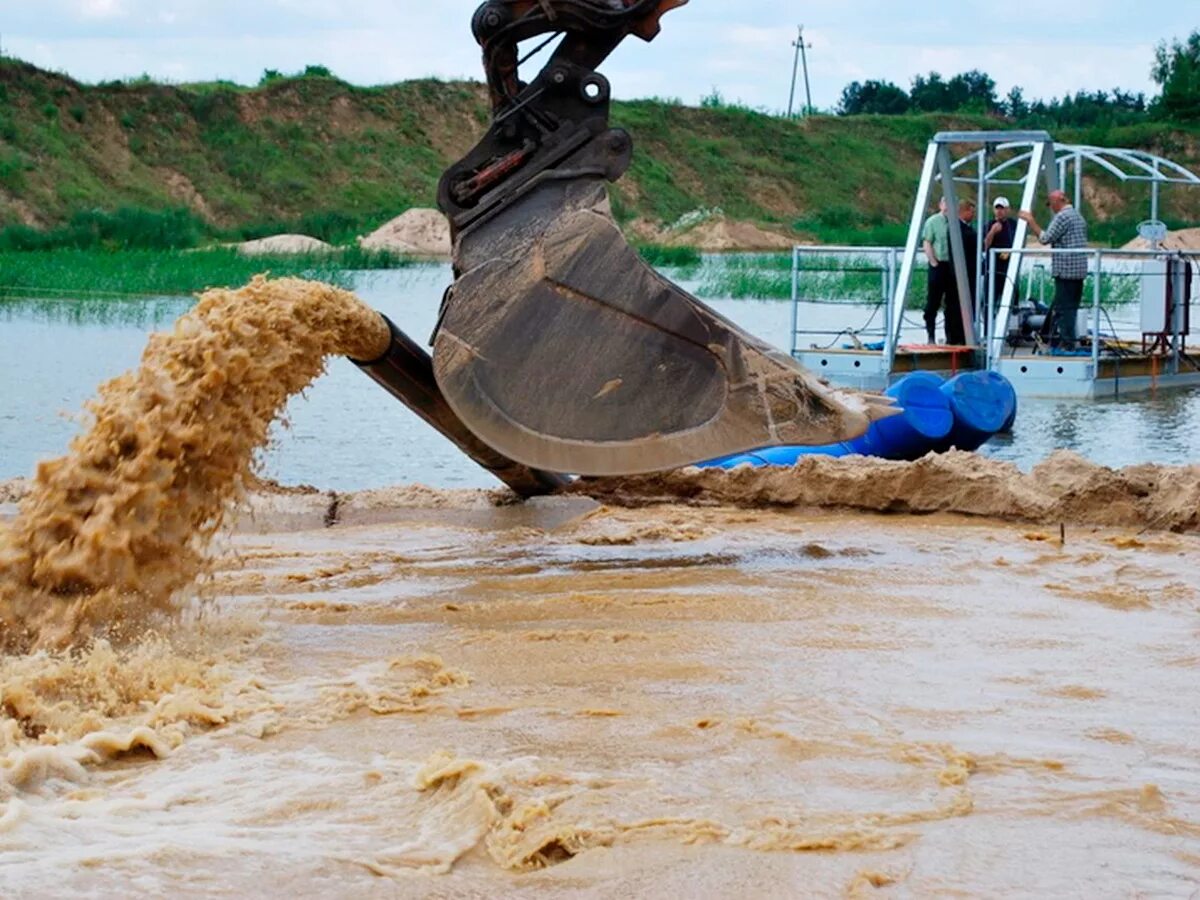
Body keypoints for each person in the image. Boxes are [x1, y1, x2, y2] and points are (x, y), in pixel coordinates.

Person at [1019, 190, 1089, 351]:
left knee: (1065, 310)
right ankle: (1051, 337)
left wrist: (1031, 221)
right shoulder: (1078, 216)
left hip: (1066, 270)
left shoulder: (1063, 217)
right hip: (1078, 271)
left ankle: (1067, 344)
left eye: (1050, 204)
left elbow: (1045, 238)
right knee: (1066, 307)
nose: (1051, 208)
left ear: (1057, 201)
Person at [922, 197, 965, 345]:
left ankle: (951, 338)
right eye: (946, 203)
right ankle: (931, 336)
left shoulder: (957, 223)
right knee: (933, 302)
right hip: (938, 264)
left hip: (953, 267)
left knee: (953, 303)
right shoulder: (932, 221)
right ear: (940, 205)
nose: (948, 206)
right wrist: (933, 262)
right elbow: (927, 242)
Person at [984, 197, 1018, 315]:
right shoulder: (989, 225)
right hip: (993, 270)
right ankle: (989, 326)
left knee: (1013, 298)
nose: (999, 211)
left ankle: (1011, 323)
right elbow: (984, 245)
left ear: (1007, 210)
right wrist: (992, 232)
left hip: (1009, 268)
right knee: (990, 299)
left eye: (1002, 208)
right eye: (997, 208)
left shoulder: (1013, 224)